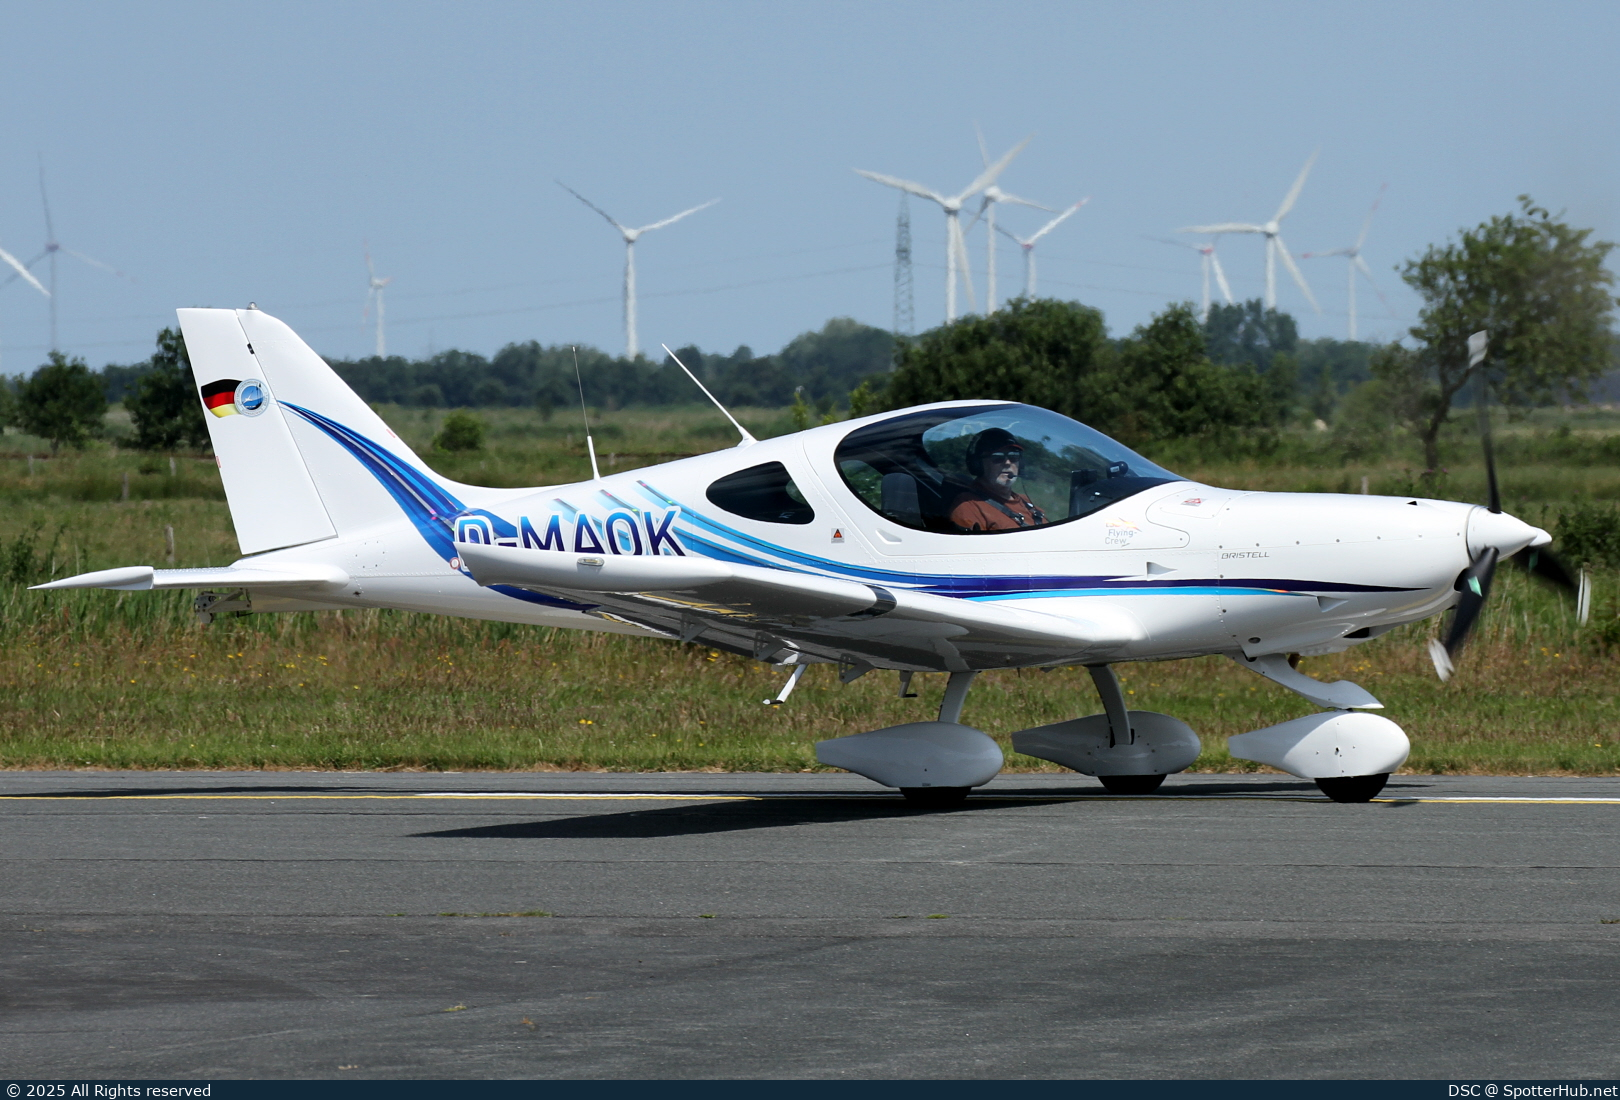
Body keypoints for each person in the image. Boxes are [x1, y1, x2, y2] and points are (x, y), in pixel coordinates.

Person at [948, 427, 1047, 532]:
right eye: (998, 457)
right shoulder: (969, 507)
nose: (1008, 463)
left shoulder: (1026, 502)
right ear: (978, 464)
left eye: (1013, 456)